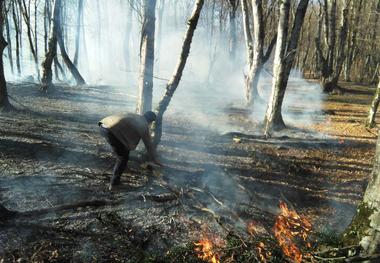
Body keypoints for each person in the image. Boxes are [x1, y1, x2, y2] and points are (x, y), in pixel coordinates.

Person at [99, 111, 162, 190]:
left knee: (124, 149)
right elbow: (148, 145)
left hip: (103, 125)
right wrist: (154, 159)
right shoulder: (143, 124)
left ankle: (124, 168)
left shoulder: (136, 117)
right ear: (151, 121)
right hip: (111, 130)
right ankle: (114, 184)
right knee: (122, 157)